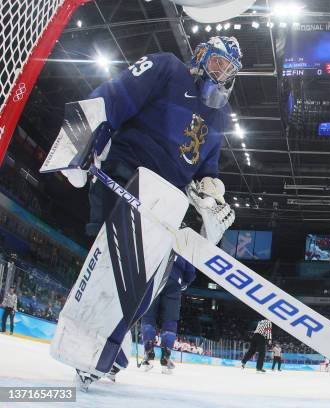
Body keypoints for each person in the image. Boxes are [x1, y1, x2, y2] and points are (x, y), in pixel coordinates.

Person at [48, 36, 242, 391]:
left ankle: (109, 342)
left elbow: (206, 166)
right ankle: (92, 338)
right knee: (112, 264)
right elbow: (115, 94)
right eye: (217, 63)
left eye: (229, 70)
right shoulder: (168, 67)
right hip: (126, 176)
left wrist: (211, 190)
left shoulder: (220, 114)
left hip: (165, 204)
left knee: (155, 280)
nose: (221, 74)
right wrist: (80, 138)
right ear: (201, 58)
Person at [140, 256, 196, 374]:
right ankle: (166, 357)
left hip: (154, 275)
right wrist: (185, 281)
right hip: (175, 279)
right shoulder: (185, 240)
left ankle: (148, 352)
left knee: (148, 315)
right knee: (170, 320)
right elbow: (190, 270)